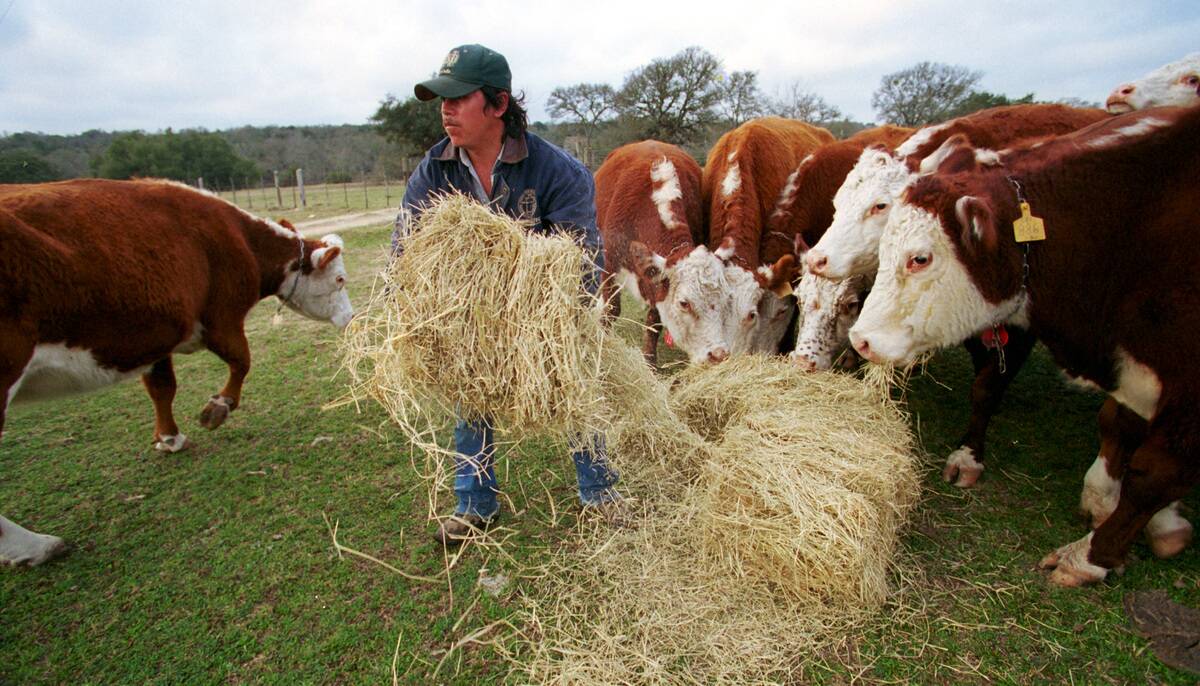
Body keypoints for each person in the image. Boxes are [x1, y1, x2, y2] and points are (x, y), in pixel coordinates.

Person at [392, 44, 621, 546]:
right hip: (470, 314)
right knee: (469, 391)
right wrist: (408, 304)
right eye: (443, 100)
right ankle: (475, 505)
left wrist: (556, 322)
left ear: (497, 105)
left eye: (458, 99)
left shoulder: (556, 170)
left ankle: (600, 492)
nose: (446, 110)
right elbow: (404, 247)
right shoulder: (435, 169)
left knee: (577, 380)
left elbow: (582, 257)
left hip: (545, 317)